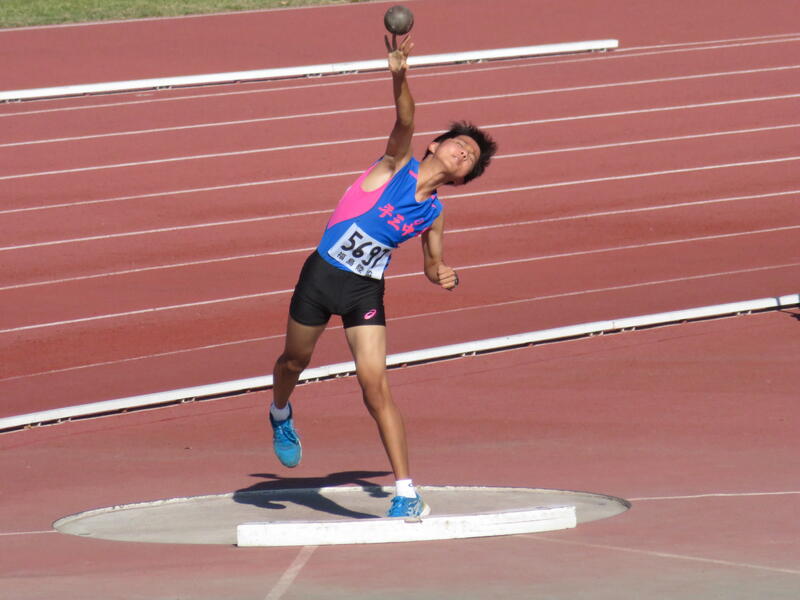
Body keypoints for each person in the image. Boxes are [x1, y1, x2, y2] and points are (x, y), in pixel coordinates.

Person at [268, 33, 497, 518]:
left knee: (375, 386)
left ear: (462, 179)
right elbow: (405, 119)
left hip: (364, 291)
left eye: (470, 158)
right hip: (321, 276)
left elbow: (431, 266)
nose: (463, 153)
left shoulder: (433, 214)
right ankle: (280, 412)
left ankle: (407, 492)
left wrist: (442, 274)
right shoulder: (393, 167)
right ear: (435, 145)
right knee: (293, 362)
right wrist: (399, 74)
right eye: (459, 144)